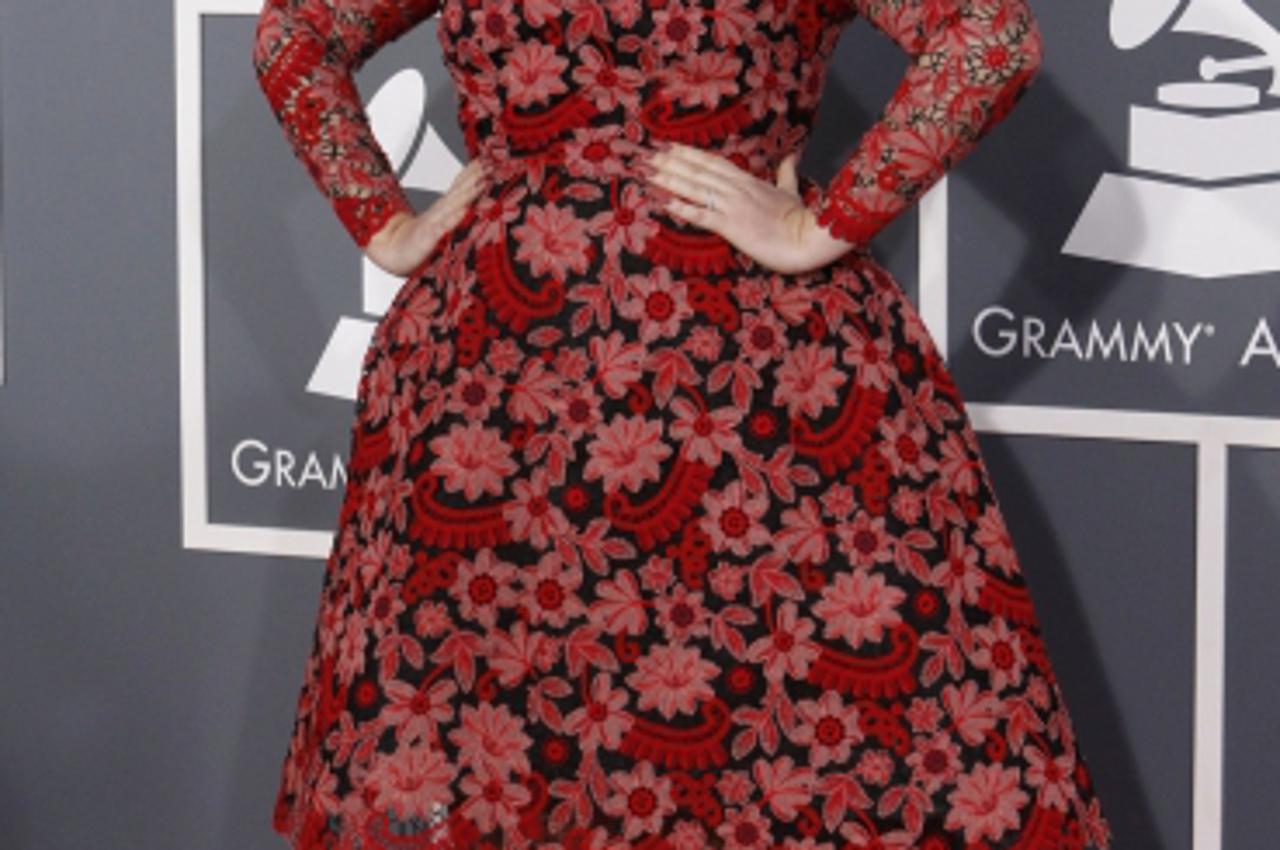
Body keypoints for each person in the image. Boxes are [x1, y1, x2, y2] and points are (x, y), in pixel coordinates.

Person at [252, 1, 1114, 848]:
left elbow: (992, 38)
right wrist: (382, 221)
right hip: (509, 404)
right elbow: (294, 34)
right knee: (503, 754)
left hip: (726, 402)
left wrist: (822, 226)